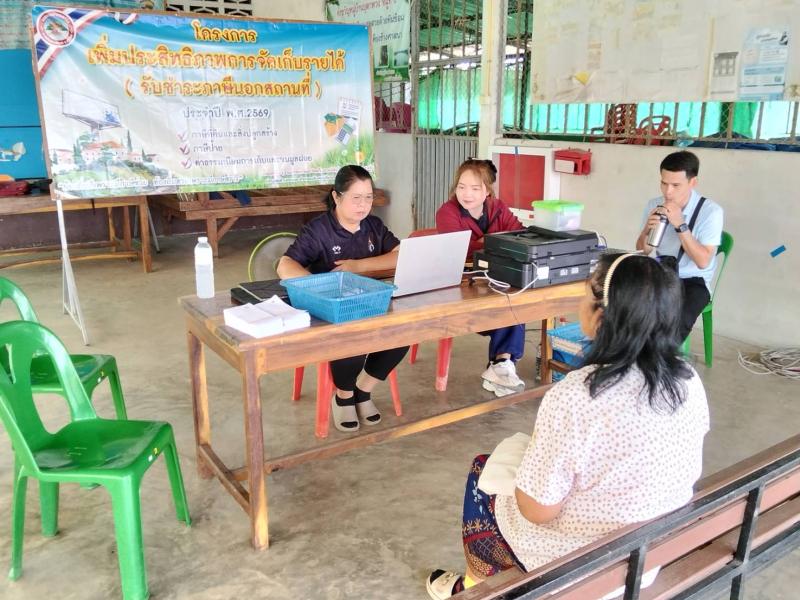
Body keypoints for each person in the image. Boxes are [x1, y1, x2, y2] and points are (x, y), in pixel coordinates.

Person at [425, 253, 710, 599]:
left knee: (482, 476)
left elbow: (537, 512)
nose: (579, 305)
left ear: (601, 317)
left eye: (585, 296)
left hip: (587, 568)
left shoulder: (578, 394)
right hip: (653, 552)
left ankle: (474, 588)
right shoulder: (687, 379)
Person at [277, 165, 409, 433]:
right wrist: (319, 289)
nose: (363, 205)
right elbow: (285, 264)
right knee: (352, 338)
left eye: (368, 197)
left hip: (372, 303)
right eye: (356, 198)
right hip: (333, 312)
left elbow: (400, 255)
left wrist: (356, 266)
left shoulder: (373, 226)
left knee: (406, 331)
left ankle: (363, 389)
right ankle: (343, 396)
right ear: (336, 197)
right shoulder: (319, 230)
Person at [436, 158, 526, 397]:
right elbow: (458, 249)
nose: (467, 194)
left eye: (475, 188)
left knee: (515, 298)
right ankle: (501, 365)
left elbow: (520, 236)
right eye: (462, 187)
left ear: (487, 191)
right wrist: (495, 242)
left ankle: (501, 363)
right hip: (461, 282)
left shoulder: (498, 208)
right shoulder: (447, 212)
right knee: (505, 303)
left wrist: (485, 243)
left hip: (493, 278)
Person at [636, 150, 723, 342]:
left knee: (675, 324)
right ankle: (629, 355)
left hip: (693, 281)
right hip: (662, 274)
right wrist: (646, 230)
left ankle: (660, 358)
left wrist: (681, 225)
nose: (668, 192)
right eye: (664, 183)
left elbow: (703, 261)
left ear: (693, 182)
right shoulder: (655, 204)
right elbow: (643, 251)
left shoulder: (711, 212)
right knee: (626, 308)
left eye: (676, 185)